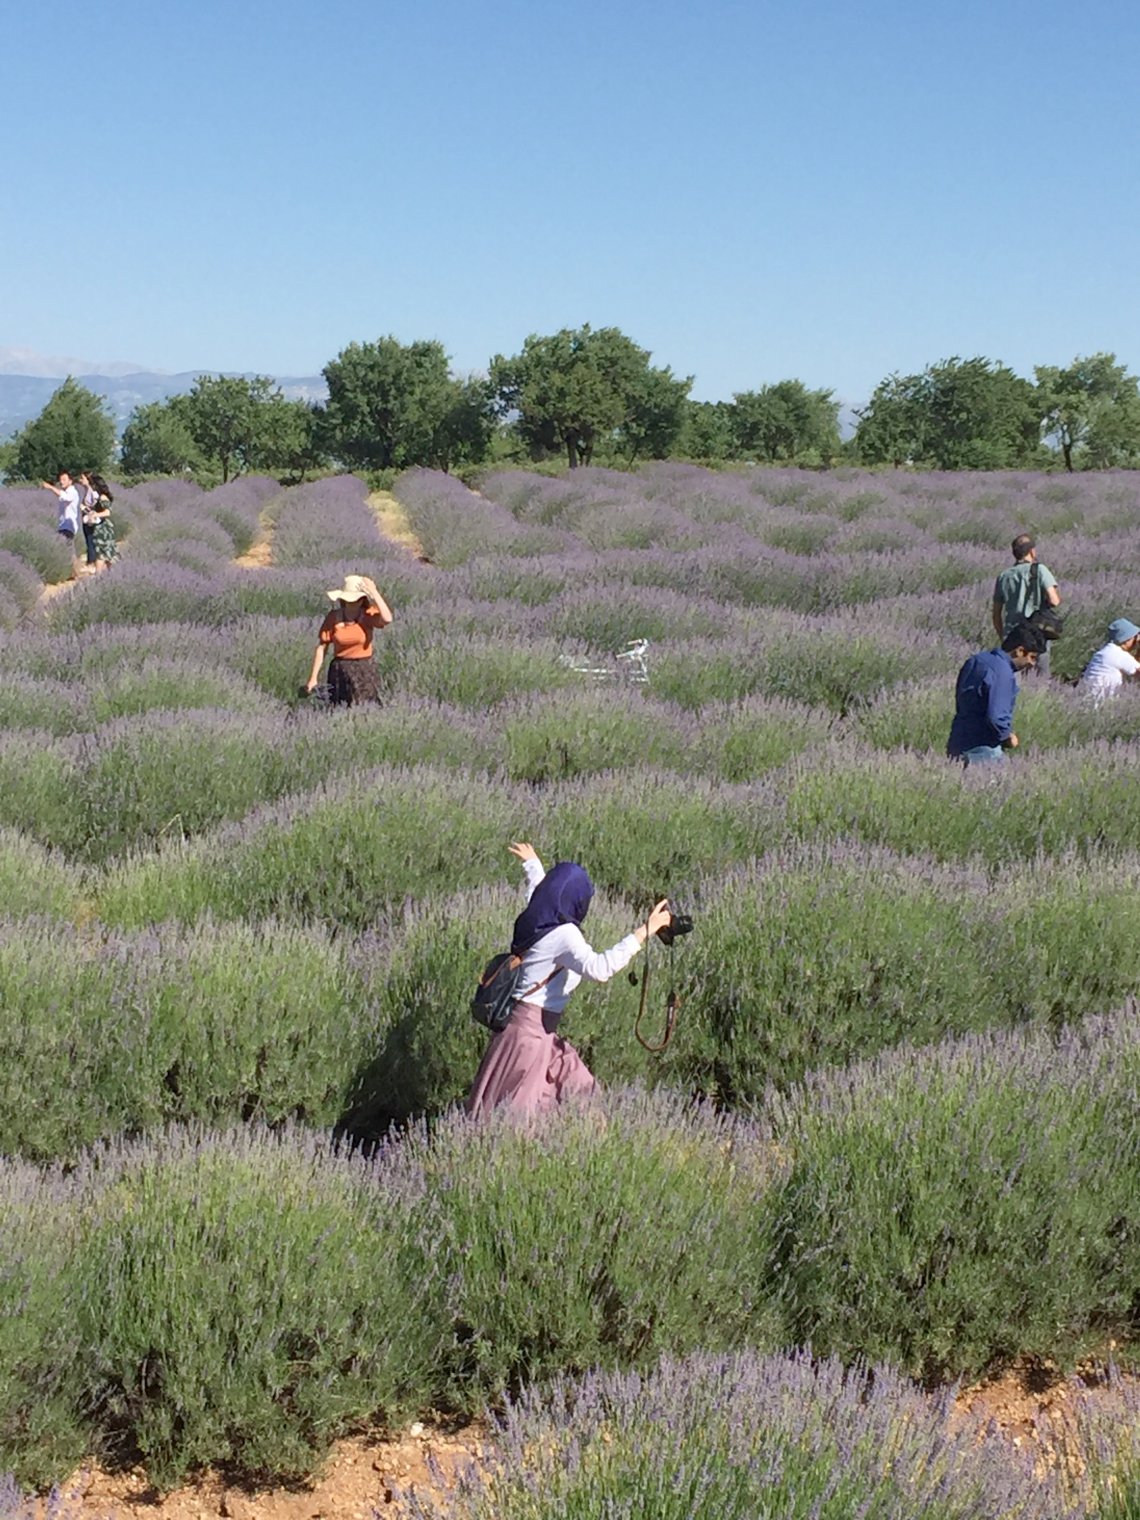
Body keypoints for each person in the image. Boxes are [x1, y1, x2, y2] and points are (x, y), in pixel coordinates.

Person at [466, 842, 672, 1119]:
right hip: (529, 1039)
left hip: (534, 1032)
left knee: (581, 1088)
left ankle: (584, 1152)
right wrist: (645, 931)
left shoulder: (536, 921)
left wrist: (533, 865)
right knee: (515, 1121)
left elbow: (539, 893)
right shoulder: (564, 934)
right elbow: (601, 969)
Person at [947, 622, 1047, 766]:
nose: (1032, 664)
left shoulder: (976, 660)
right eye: (1032, 657)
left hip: (958, 740)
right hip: (983, 750)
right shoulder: (1003, 673)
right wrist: (1008, 737)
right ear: (1019, 651)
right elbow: (997, 716)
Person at [304, 573, 393, 706]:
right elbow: (322, 648)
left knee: (366, 709)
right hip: (340, 670)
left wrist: (374, 592)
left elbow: (387, 619)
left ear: (362, 600)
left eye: (356, 599)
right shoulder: (333, 617)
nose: (352, 602)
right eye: (349, 599)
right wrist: (313, 678)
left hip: (364, 671)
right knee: (339, 709)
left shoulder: (368, 615)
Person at [993, 533, 1061, 678]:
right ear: (1032, 551)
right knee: (1040, 678)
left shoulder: (1004, 576)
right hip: (1037, 634)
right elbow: (1055, 601)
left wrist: (1003, 637)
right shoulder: (1039, 570)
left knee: (1013, 679)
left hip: (1012, 635)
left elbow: (996, 614)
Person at [1078, 618, 1140, 702]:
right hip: (1101, 703)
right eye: (1134, 637)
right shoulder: (1119, 655)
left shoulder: (1106, 651)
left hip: (1083, 699)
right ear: (1127, 640)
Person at [39, 471, 82, 577]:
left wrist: (51, 487)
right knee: (67, 549)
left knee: (69, 549)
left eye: (64, 479)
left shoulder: (72, 492)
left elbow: (65, 497)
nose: (61, 482)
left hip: (68, 526)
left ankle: (75, 573)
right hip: (63, 525)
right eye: (60, 479)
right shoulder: (66, 491)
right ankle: (74, 572)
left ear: (70, 481)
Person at [78, 473, 118, 570]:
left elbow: (107, 512)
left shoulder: (102, 497)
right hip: (98, 529)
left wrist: (95, 514)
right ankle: (103, 577)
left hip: (103, 529)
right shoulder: (96, 496)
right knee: (102, 554)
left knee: (104, 555)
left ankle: (100, 577)